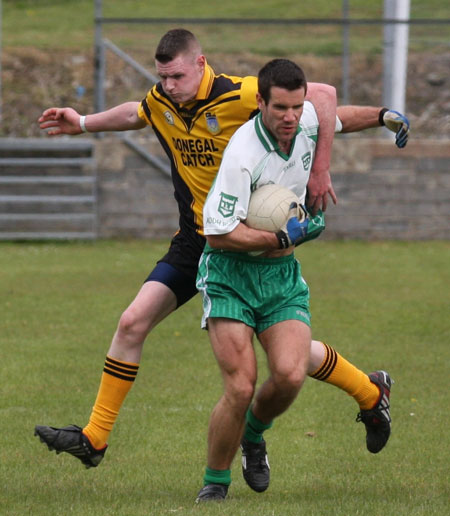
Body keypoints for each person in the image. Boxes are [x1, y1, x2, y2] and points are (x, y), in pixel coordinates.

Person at [34, 29, 409, 473]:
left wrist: (362, 132)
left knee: (288, 357)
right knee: (132, 322)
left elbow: (322, 105)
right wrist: (81, 123)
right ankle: (94, 438)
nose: (167, 85)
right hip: (197, 239)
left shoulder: (243, 94)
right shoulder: (163, 101)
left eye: (175, 76)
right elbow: (135, 114)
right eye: (162, 77)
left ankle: (368, 393)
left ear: (200, 64)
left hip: (247, 242)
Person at [195, 58, 396, 502]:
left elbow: (336, 113)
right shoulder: (243, 154)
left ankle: (254, 435)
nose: (289, 117)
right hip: (230, 275)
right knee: (241, 384)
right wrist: (281, 234)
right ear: (262, 103)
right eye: (280, 108)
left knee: (288, 374)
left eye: (296, 107)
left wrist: (382, 116)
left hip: (280, 275)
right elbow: (219, 232)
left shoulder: (304, 119)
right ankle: (215, 483)